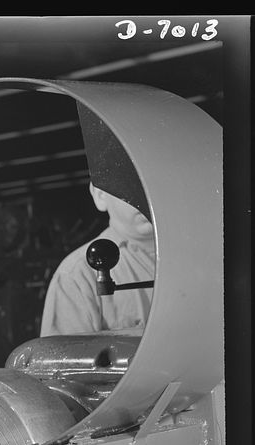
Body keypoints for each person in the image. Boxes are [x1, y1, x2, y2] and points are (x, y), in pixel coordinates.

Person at [40, 104, 155, 336]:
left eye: (150, 183)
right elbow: (65, 367)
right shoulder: (77, 275)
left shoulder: (200, 260)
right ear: (100, 195)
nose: (142, 197)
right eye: (129, 187)